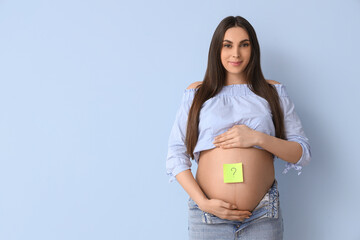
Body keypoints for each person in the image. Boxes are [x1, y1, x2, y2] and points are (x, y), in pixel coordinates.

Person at [166, 15, 311, 240]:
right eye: (227, 45)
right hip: (208, 217)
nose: (236, 54)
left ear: (253, 49)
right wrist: (204, 202)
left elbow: (301, 152)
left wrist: (257, 138)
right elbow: (176, 154)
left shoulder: (272, 92)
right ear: (217, 49)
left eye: (244, 45)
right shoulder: (198, 93)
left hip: (262, 215)